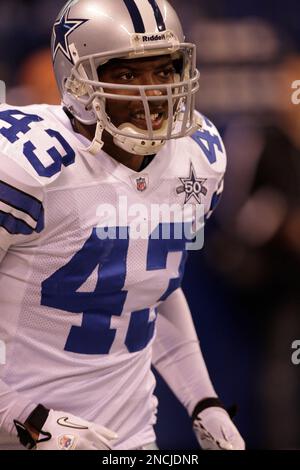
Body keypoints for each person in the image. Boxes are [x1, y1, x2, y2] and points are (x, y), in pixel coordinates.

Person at [0, 0, 244, 451]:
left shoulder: (199, 157)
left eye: (164, 70)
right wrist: (25, 419)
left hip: (130, 438)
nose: (153, 93)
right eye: (128, 75)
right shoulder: (23, 166)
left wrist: (203, 400)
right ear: (76, 81)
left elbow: (149, 290)